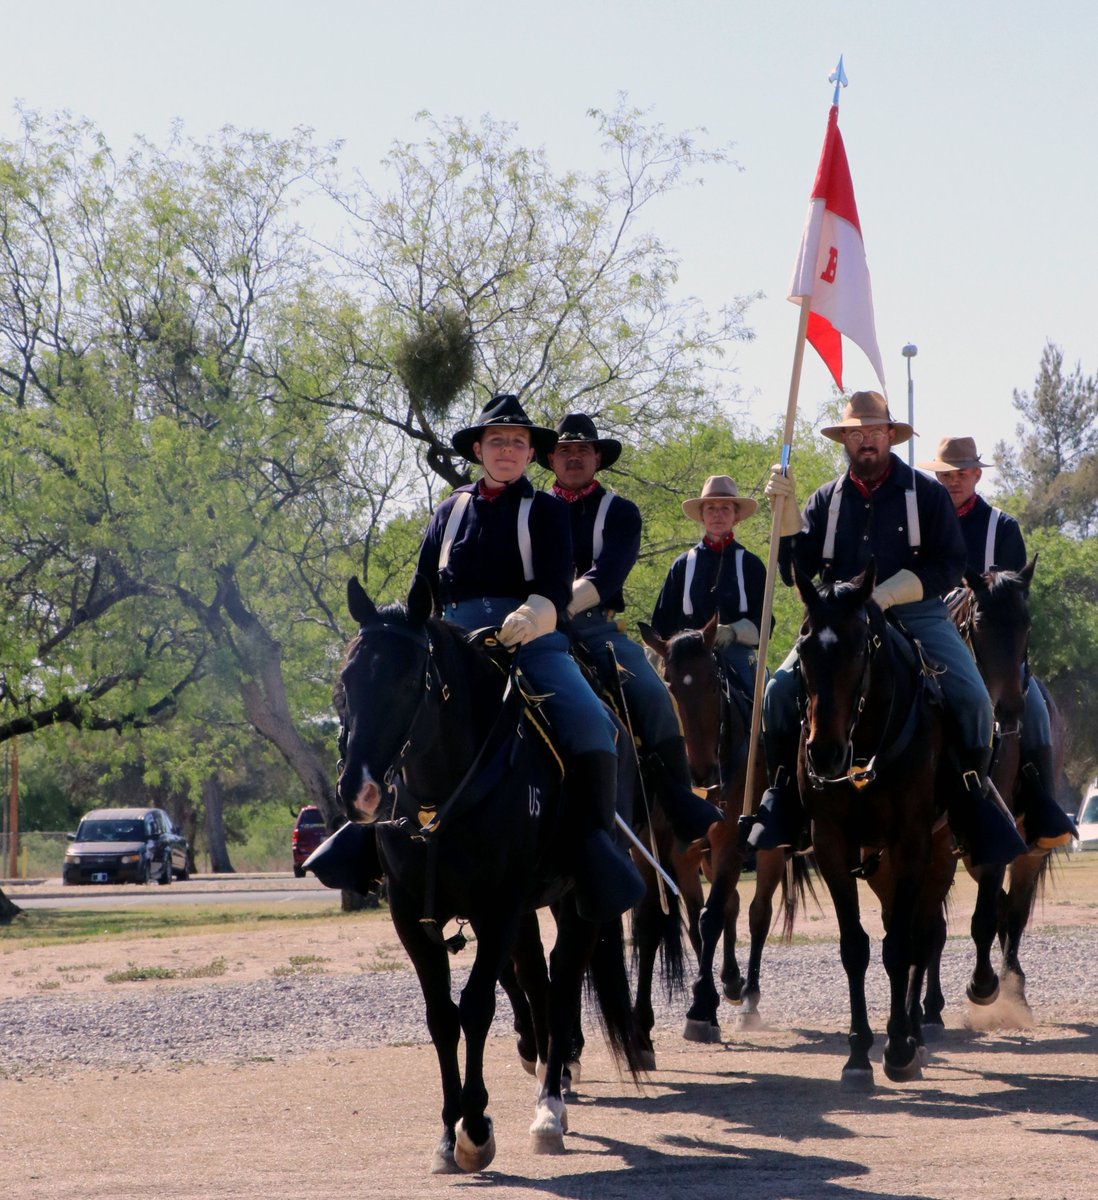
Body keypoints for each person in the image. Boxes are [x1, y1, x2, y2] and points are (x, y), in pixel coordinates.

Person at [753, 390, 1028, 866]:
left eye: (874, 432)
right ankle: (785, 802)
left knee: (974, 700)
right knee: (776, 694)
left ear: (890, 437)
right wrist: (788, 517)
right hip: (840, 621)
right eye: (855, 433)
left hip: (916, 612)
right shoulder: (826, 499)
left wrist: (893, 592)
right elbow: (795, 571)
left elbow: (950, 563)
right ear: (845, 440)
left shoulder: (927, 493)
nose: (865, 441)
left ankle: (970, 803)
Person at [415, 393, 645, 921]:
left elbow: (553, 583)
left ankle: (593, 848)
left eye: (518, 443)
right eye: (498, 440)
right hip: (453, 638)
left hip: (531, 634)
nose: (508, 450)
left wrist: (536, 613)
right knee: (388, 702)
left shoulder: (544, 510)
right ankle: (370, 839)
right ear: (478, 448)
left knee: (592, 723)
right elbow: (423, 585)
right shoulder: (448, 512)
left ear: (527, 454)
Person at [538, 413, 722, 844]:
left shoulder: (620, 512)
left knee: (654, 696)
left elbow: (609, 572)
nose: (574, 457)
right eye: (565, 451)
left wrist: (552, 606)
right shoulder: (530, 507)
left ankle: (681, 806)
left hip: (596, 631)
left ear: (597, 457)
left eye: (583, 450)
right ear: (551, 459)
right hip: (533, 631)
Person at [918, 436, 1076, 848]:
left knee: (1035, 708)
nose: (951, 482)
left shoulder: (1001, 526)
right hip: (932, 632)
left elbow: (1010, 593)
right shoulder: (922, 522)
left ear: (975, 475)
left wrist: (968, 595)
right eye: (944, 475)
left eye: (959, 475)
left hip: (991, 643)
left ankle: (1042, 806)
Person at [650, 475, 767, 698]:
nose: (717, 514)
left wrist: (733, 631)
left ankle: (761, 733)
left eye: (725, 508)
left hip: (735, 653)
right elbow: (661, 622)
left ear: (736, 516)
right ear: (702, 516)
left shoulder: (752, 565)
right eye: (711, 508)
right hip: (685, 656)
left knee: (759, 699)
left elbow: (764, 622)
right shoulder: (682, 565)